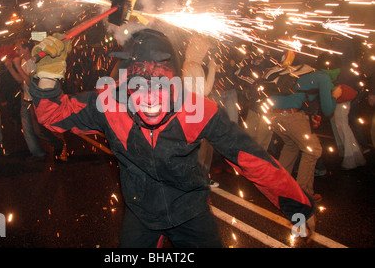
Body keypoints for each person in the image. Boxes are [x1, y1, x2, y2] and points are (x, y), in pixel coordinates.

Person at [29, 29, 316, 248]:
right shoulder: (110, 103)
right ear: (127, 81)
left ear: (176, 79)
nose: (150, 89)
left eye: (161, 74)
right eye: (140, 75)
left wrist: (299, 208)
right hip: (141, 215)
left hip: (191, 213)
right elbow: (52, 116)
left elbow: (252, 159)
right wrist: (46, 77)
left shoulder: (198, 109)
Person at [267, 62, 341, 202]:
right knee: (313, 149)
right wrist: (335, 96)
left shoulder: (304, 71)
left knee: (291, 145)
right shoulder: (323, 77)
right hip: (290, 116)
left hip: (273, 115)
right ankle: (303, 194)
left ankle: (279, 187)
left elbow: (306, 97)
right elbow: (327, 109)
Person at [5, 39, 67, 162]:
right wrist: (11, 69)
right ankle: (37, 154)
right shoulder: (22, 61)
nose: (17, 52)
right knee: (27, 130)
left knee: (39, 130)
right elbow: (21, 81)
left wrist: (17, 67)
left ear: (26, 48)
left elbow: (31, 82)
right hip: (26, 99)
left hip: (36, 100)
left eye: (19, 49)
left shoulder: (35, 61)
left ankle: (58, 143)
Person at [315, 53, 366, 170]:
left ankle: (351, 156)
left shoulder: (331, 67)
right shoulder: (339, 64)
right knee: (337, 123)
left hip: (340, 97)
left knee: (341, 124)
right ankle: (347, 152)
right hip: (340, 96)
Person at [181, 34, 218, 187]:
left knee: (197, 145)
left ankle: (197, 177)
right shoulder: (195, 65)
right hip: (197, 110)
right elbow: (206, 90)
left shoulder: (186, 64)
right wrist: (213, 69)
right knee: (203, 146)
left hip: (190, 109)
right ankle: (200, 179)